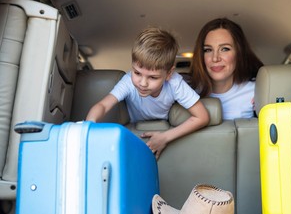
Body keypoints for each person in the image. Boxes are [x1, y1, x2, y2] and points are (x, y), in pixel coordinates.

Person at [86, 27, 210, 159]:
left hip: (162, 126)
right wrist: (89, 126)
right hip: (134, 131)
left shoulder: (175, 83)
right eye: (137, 73)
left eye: (153, 77)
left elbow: (202, 117)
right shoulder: (128, 81)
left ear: (169, 74)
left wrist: (165, 137)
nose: (143, 83)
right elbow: (103, 105)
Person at [190, 18, 263, 120]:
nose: (215, 58)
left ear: (239, 53)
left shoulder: (258, 91)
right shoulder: (186, 93)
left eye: (225, 49)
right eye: (208, 50)